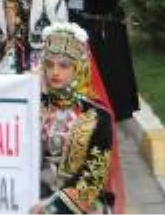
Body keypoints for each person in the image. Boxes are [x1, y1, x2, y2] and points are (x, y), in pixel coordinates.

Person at [34, 22, 115, 213]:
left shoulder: (97, 116)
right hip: (34, 196)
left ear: (78, 68)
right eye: (49, 64)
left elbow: (93, 177)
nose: (55, 72)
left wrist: (53, 209)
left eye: (64, 65)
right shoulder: (32, 106)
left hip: (80, 205)